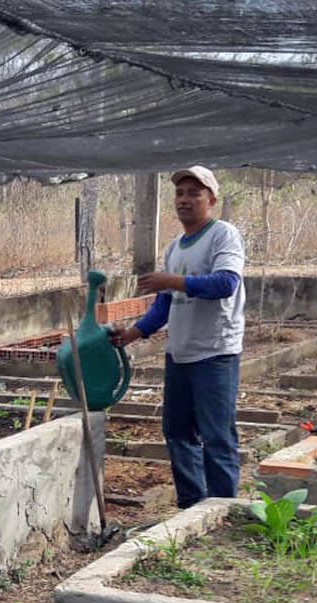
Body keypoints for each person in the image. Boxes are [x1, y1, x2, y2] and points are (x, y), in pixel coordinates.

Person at [110, 166, 245, 508]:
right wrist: (133, 333)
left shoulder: (223, 235)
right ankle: (191, 505)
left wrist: (173, 281)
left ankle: (221, 508)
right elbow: (164, 306)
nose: (184, 200)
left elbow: (226, 283)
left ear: (211, 200)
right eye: (180, 194)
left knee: (217, 435)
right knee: (178, 432)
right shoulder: (174, 249)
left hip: (215, 352)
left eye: (194, 194)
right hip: (180, 353)